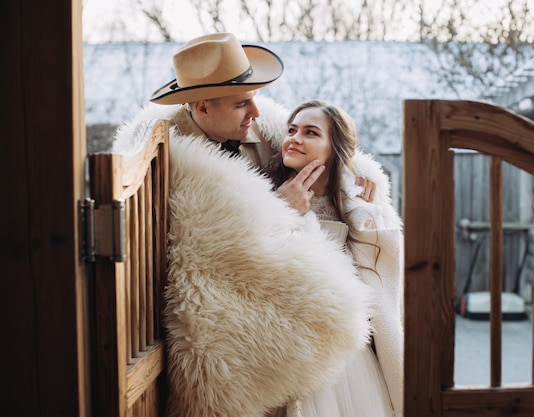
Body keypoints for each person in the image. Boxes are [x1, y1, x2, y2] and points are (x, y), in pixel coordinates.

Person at [112, 33, 384, 417]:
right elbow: (209, 248)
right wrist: (279, 208)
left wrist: (356, 167)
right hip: (209, 306)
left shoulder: (263, 128)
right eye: (242, 103)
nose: (255, 112)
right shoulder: (168, 152)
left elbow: (317, 134)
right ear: (202, 107)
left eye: (255, 98)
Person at [266, 99, 404, 417]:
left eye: (310, 132)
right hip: (289, 347)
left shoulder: (358, 204)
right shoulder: (265, 195)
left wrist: (368, 210)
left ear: (334, 148)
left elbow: (380, 283)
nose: (295, 138)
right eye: (291, 130)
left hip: (348, 355)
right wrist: (280, 211)